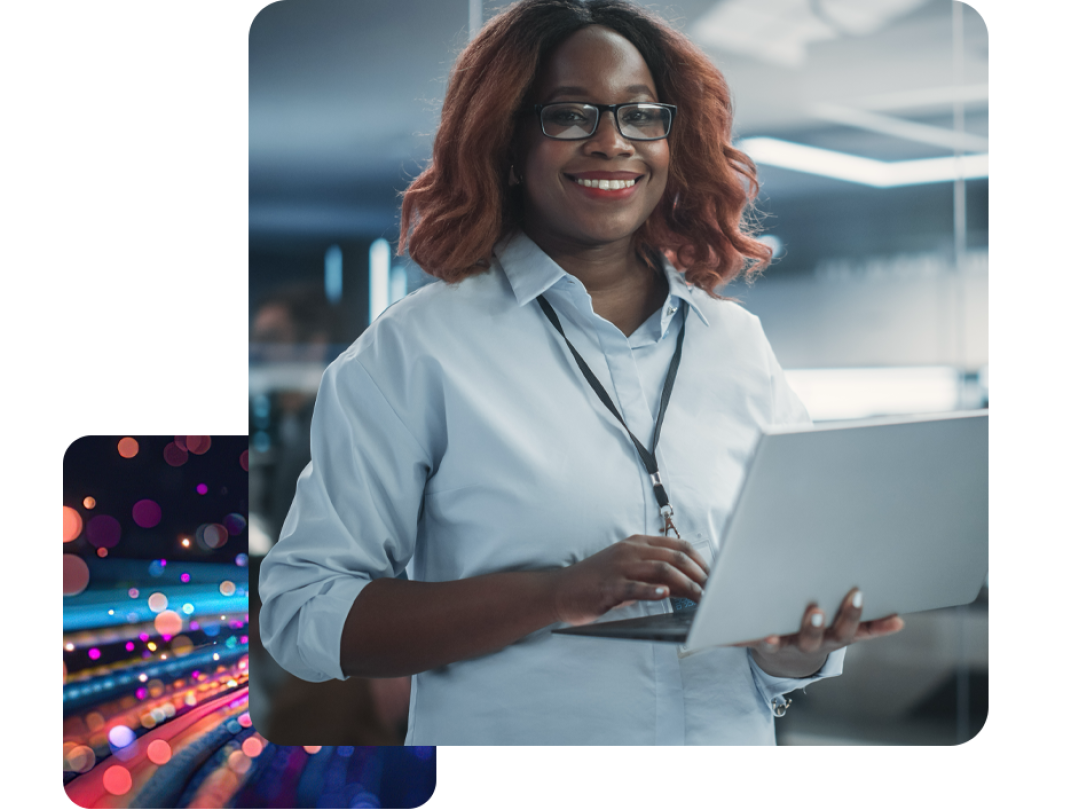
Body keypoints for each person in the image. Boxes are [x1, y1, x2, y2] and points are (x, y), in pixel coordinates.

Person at [258, 0, 903, 746]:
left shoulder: (737, 346)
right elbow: (303, 616)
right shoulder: (416, 351)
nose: (611, 142)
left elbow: (788, 595)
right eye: (569, 116)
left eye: (640, 116)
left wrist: (799, 649)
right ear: (507, 140)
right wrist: (553, 593)